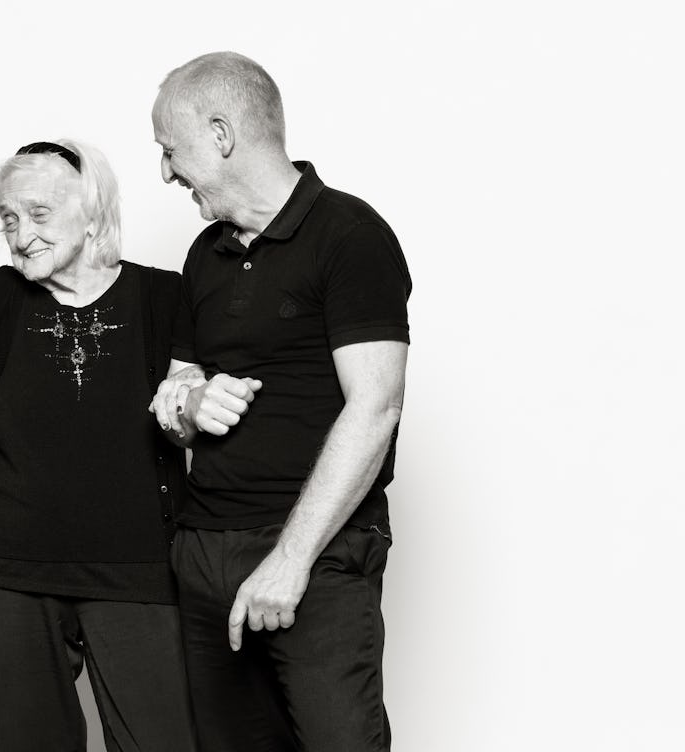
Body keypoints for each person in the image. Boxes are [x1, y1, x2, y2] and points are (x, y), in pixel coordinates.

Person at [0, 139, 196, 752]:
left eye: (39, 214)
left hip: (137, 569)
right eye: (8, 217)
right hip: (12, 570)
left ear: (92, 209)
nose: (20, 233)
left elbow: (205, 401)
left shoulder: (165, 297)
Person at [147, 52, 413, 751]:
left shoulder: (349, 236)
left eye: (171, 151)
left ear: (221, 134)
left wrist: (290, 563)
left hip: (315, 555)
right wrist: (187, 404)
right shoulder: (205, 254)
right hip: (206, 553)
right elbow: (172, 395)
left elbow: (377, 407)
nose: (167, 171)